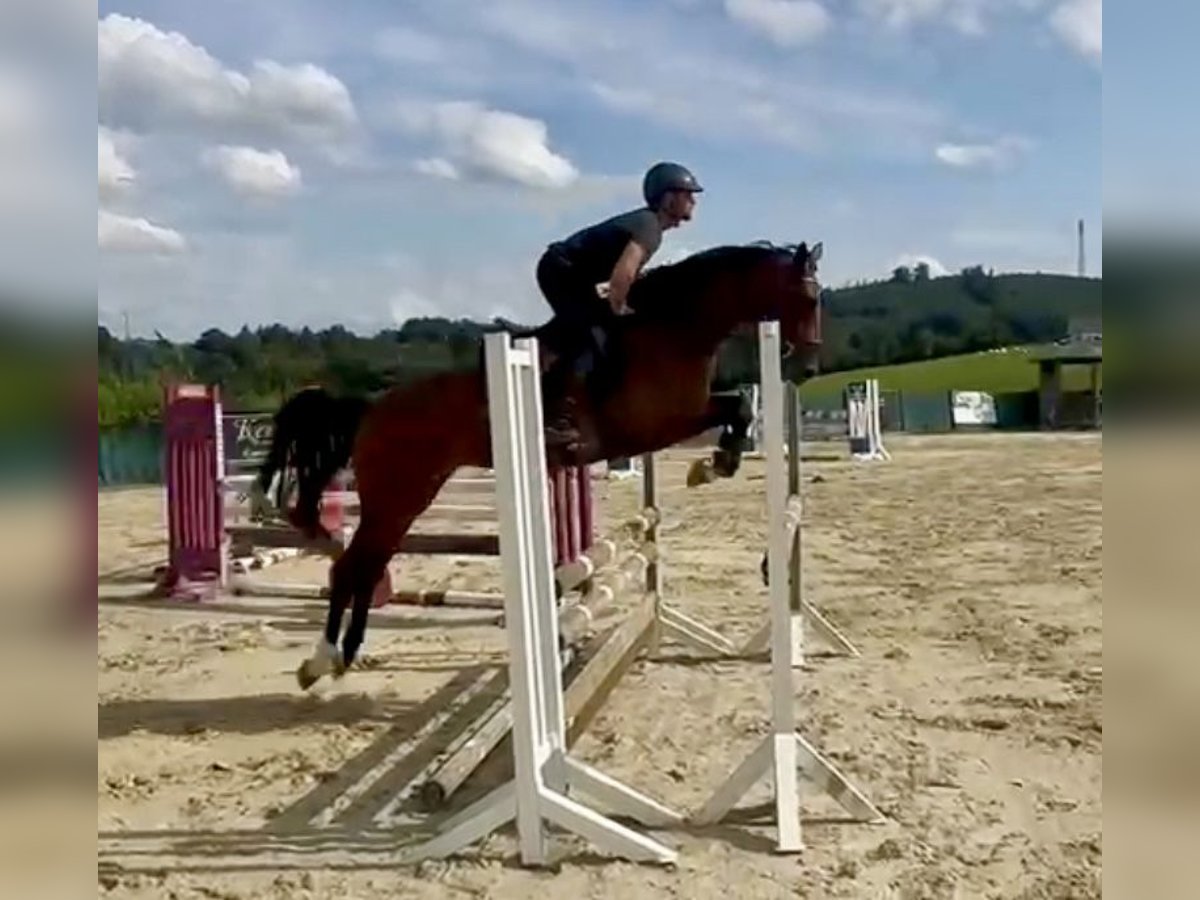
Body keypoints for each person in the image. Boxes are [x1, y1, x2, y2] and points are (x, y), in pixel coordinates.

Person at [535, 161, 703, 444]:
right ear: (668, 198)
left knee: (587, 329)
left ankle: (537, 348)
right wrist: (618, 307)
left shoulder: (649, 225)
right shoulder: (649, 227)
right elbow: (624, 273)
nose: (693, 201)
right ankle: (557, 416)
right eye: (688, 194)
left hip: (571, 273)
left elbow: (628, 274)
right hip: (559, 269)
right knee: (593, 336)